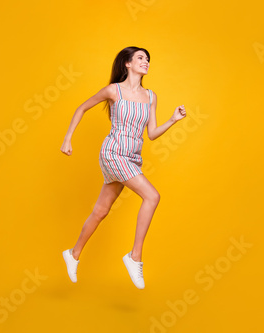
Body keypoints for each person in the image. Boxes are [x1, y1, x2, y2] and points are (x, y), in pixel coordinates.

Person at [60, 46, 187, 289]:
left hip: (132, 157)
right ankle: (134, 257)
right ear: (127, 63)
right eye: (140, 57)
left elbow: (151, 134)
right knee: (152, 196)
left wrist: (173, 120)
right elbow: (82, 108)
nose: (146, 61)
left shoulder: (151, 96)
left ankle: (73, 254)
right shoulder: (113, 90)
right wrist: (68, 139)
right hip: (113, 153)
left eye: (148, 59)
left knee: (100, 211)